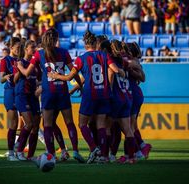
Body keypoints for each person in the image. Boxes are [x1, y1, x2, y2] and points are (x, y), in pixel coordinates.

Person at [48, 30, 125, 164]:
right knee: (101, 125)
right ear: (95, 43)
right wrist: (123, 72)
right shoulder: (104, 55)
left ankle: (94, 148)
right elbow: (116, 70)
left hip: (90, 94)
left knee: (82, 124)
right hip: (104, 94)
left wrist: (55, 76)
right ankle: (102, 156)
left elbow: (69, 77)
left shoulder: (81, 58)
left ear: (85, 45)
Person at [17, 28, 85, 163]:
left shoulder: (38, 54)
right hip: (62, 92)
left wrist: (19, 65)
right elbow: (74, 72)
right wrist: (81, 87)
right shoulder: (64, 52)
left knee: (47, 124)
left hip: (48, 93)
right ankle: (75, 151)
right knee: (69, 123)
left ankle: (52, 154)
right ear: (56, 39)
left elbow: (26, 73)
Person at [14, 39, 41, 160]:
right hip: (22, 95)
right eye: (32, 47)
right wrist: (19, 70)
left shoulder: (36, 64)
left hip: (33, 96)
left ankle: (30, 155)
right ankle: (19, 150)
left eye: (35, 47)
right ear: (26, 49)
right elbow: (14, 80)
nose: (34, 50)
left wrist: (40, 87)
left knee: (35, 126)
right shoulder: (20, 62)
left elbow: (40, 80)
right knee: (29, 124)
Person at [0, 37, 21, 161]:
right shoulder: (5, 60)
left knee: (30, 123)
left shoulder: (21, 60)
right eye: (17, 48)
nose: (19, 50)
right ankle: (11, 153)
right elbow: (1, 79)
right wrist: (6, 76)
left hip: (22, 92)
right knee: (14, 124)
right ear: (11, 48)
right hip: (11, 92)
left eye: (20, 48)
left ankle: (18, 148)